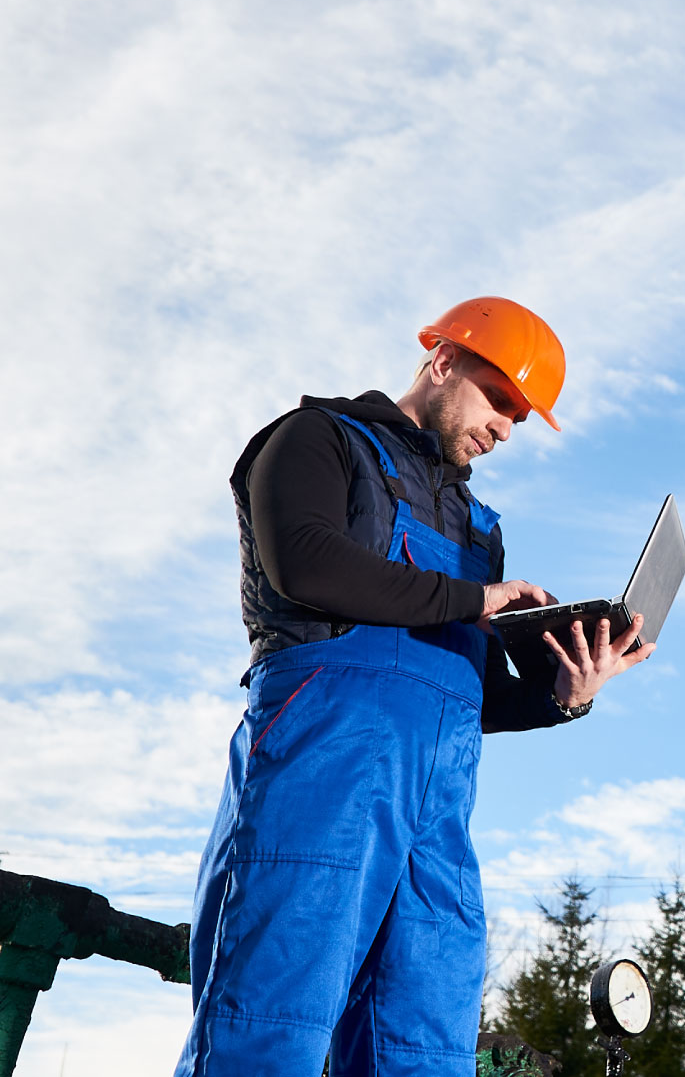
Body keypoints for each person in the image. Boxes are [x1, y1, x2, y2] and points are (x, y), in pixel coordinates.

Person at [174, 297, 654, 1077]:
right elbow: (305, 562)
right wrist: (475, 599)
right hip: (317, 788)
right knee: (268, 1028)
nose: (505, 428)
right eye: (498, 399)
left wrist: (564, 693)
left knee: (422, 1050)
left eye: (518, 418)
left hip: (436, 824)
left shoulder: (477, 530)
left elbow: (470, 690)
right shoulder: (315, 439)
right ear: (444, 361)